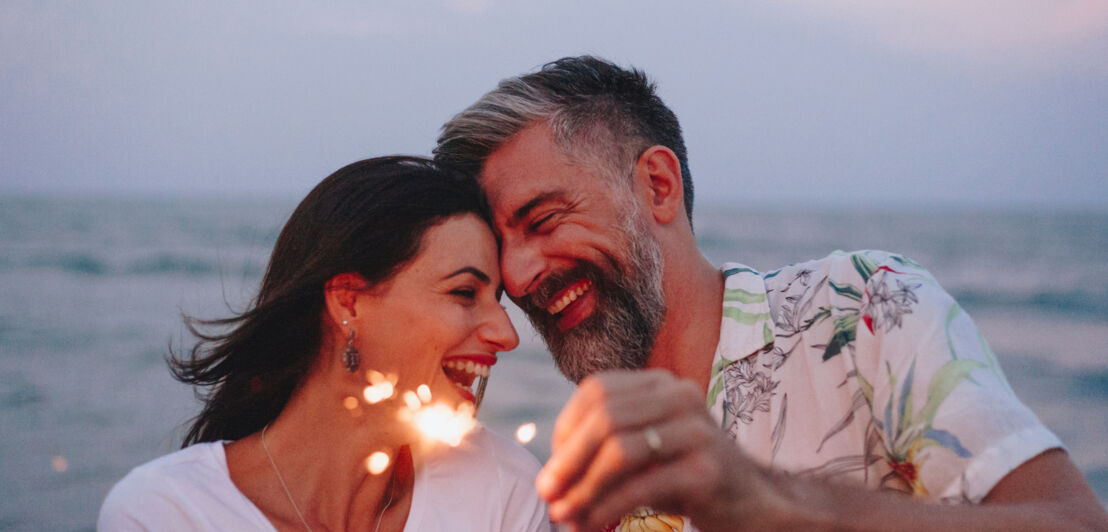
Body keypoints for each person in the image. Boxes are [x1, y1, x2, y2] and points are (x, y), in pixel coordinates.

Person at [434, 57, 1108, 531]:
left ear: (658, 187)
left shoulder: (861, 312)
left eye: (545, 221)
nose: (519, 279)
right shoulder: (590, 476)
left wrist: (769, 502)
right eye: (502, 253)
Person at [98, 156, 551, 531]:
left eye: (499, 301)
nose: (506, 336)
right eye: (464, 293)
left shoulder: (503, 488)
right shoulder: (168, 512)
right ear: (348, 302)